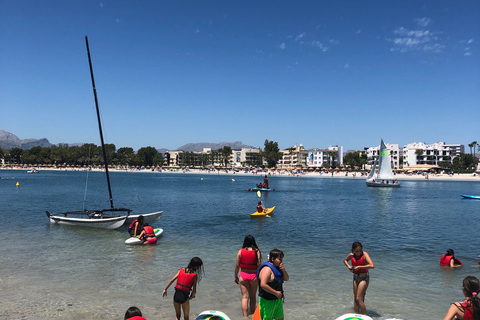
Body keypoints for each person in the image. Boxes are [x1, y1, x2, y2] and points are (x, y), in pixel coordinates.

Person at [257, 248, 289, 320]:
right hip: (268, 300)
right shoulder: (267, 269)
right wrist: (276, 293)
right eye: (279, 259)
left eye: (282, 259)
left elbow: (286, 279)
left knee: (280, 318)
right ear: (273, 258)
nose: (281, 261)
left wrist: (283, 270)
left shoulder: (278, 268)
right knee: (267, 318)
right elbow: (263, 284)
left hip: (277, 299)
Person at [343, 241, 374, 315]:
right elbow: (345, 260)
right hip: (355, 277)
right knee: (355, 299)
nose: (358, 252)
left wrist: (360, 267)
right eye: (356, 251)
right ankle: (356, 314)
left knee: (359, 298)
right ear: (353, 250)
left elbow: (372, 265)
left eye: (360, 251)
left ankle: (364, 315)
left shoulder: (365, 254)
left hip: (364, 278)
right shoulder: (351, 255)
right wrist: (349, 266)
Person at [234, 235, 262, 316]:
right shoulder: (257, 251)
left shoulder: (240, 251)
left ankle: (245, 316)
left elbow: (237, 266)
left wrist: (236, 276)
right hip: (254, 276)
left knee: (245, 297)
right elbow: (259, 264)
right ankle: (252, 314)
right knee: (252, 296)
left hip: (243, 276)